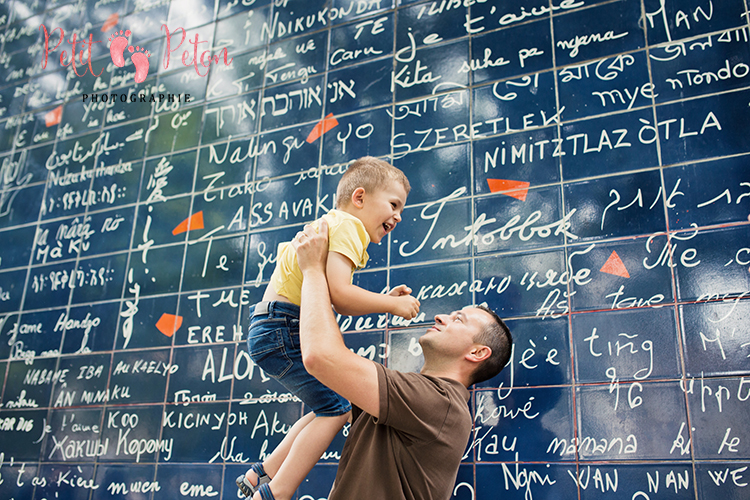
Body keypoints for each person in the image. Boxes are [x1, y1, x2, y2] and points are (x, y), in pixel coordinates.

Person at [286, 219, 513, 500]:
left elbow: (321, 355)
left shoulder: (441, 403)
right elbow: (332, 379)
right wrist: (377, 302)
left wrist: (312, 270)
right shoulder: (417, 395)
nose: (442, 316)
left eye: (458, 319)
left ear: (477, 353)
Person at [238, 157, 421, 500]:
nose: (398, 216)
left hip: (273, 325)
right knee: (336, 410)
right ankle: (275, 492)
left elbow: (335, 293)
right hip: (283, 328)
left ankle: (261, 473)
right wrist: (392, 305)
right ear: (360, 198)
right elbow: (341, 296)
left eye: (402, 209)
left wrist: (382, 298)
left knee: (333, 406)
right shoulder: (349, 227)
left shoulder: (333, 225)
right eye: (393, 204)